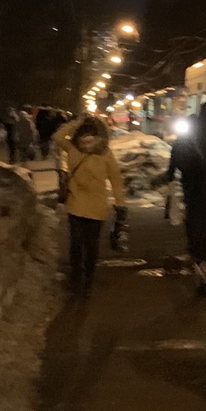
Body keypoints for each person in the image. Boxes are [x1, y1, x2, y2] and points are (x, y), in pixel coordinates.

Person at [59, 115, 126, 290]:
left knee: (77, 244)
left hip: (77, 206)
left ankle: (77, 277)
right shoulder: (104, 152)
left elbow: (58, 136)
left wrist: (76, 123)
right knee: (90, 244)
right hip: (95, 207)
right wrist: (120, 202)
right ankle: (87, 276)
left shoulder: (73, 148)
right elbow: (115, 178)